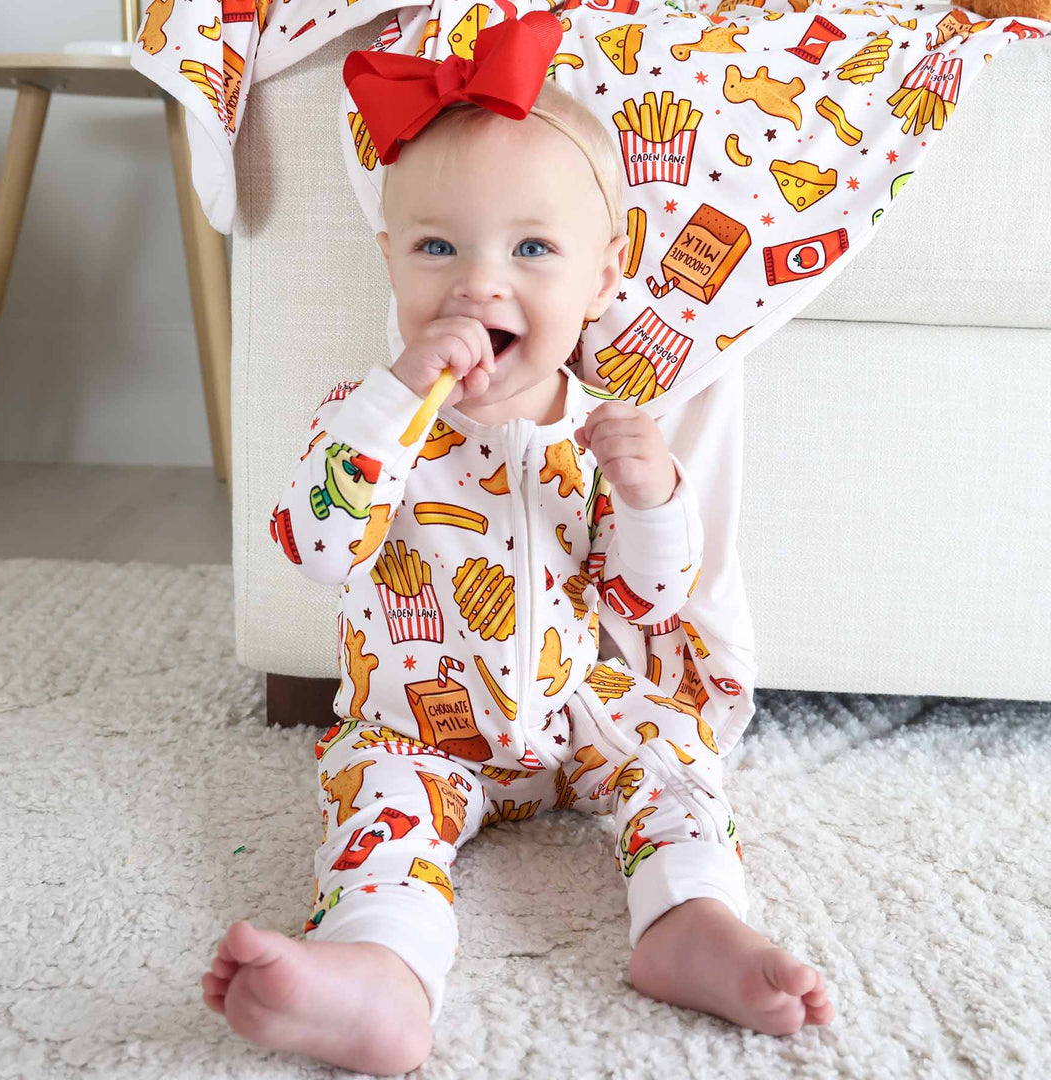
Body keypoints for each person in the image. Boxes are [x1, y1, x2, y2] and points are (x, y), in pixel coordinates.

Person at [199, 12, 833, 1073]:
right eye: (436, 246)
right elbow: (314, 548)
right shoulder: (366, 421)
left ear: (600, 274)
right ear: (389, 261)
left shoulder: (602, 431)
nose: (479, 283)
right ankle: (378, 977)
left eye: (532, 249)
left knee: (676, 754)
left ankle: (690, 923)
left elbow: (642, 603)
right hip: (417, 729)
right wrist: (392, 405)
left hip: (578, 709)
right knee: (379, 819)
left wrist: (652, 498)